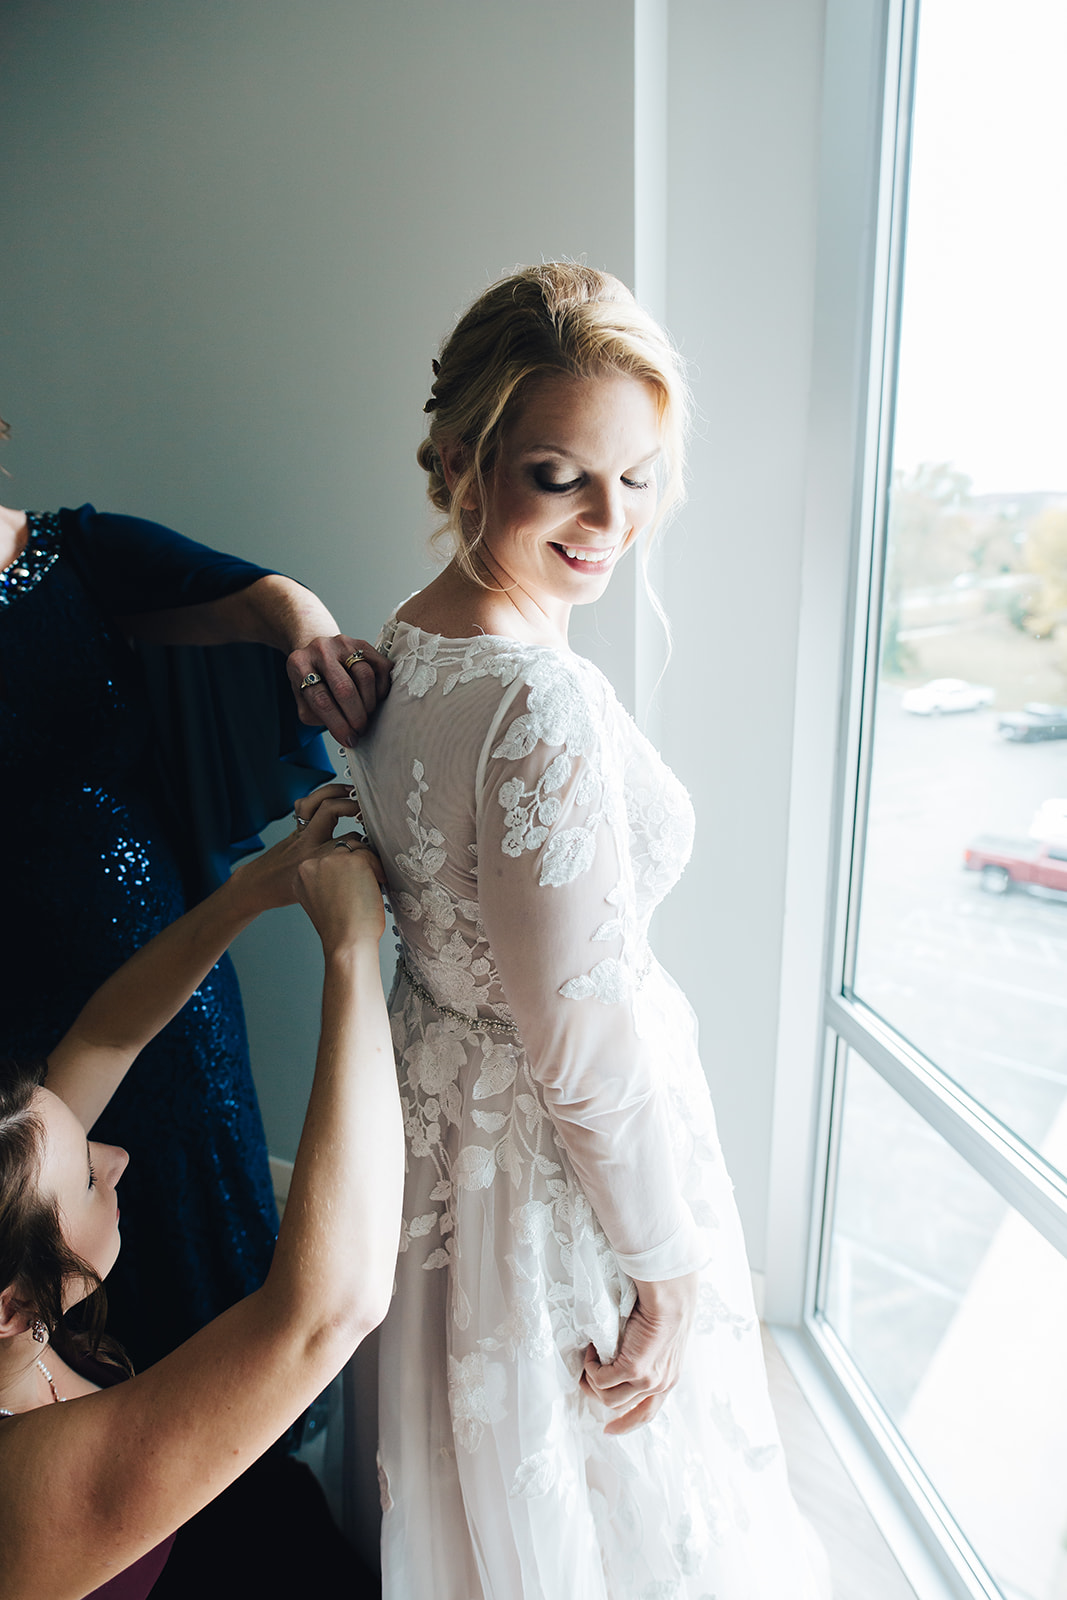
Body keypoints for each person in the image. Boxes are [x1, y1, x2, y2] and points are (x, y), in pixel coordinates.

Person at [346, 264, 832, 1597]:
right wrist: (663, 1268)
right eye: (560, 475)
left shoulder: (408, 640)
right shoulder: (531, 699)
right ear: (462, 459)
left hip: (447, 1141)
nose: (606, 521)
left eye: (635, 477)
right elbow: (576, 1045)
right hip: (559, 1172)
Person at [0, 483, 390, 1370]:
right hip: (12, 1002)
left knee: (192, 1179)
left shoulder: (73, 551)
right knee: (44, 1219)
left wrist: (313, 642)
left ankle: (240, 1436)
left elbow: (263, 598)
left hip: (163, 953)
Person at [0, 784, 403, 1598]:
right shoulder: (30, 1486)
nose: (115, 1157)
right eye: (84, 1178)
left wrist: (257, 886)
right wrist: (353, 951)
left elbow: (105, 1034)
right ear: (10, 1308)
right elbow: (329, 1312)